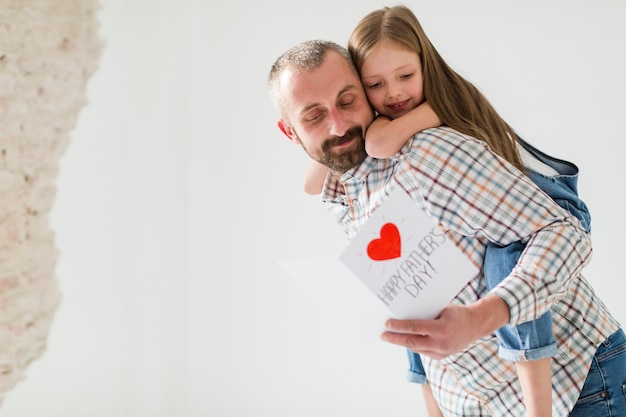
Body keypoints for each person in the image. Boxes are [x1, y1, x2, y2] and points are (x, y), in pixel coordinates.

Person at [267, 15, 626, 417]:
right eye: (314, 115)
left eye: (347, 100)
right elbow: (420, 309)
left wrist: (481, 317)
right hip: (489, 404)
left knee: (505, 256)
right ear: (290, 132)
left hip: (580, 385)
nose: (338, 123)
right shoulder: (344, 193)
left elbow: (568, 234)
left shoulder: (429, 153)